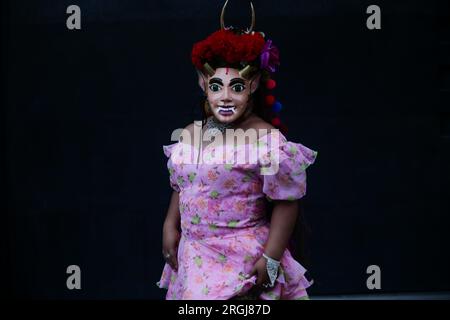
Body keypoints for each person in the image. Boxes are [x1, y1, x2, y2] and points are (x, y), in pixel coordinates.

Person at [156, 0, 318, 300]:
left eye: (237, 87)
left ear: (254, 84)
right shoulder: (193, 134)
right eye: (217, 86)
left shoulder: (266, 141)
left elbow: (286, 202)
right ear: (203, 83)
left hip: (242, 259)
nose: (226, 97)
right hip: (195, 259)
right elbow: (184, 183)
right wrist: (170, 223)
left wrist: (270, 259)